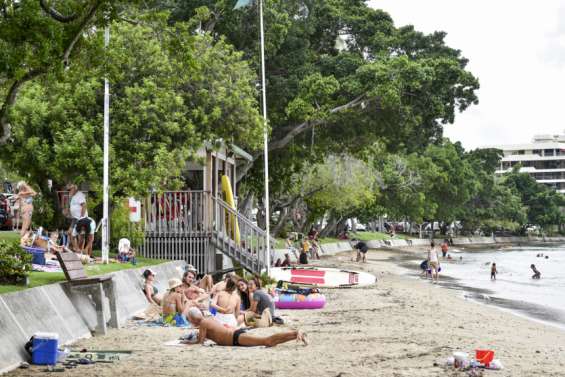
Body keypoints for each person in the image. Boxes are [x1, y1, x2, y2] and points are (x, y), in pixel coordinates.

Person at [186, 307, 307, 347]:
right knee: (269, 342)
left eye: (190, 320)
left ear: (193, 319)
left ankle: (296, 332)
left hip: (235, 338)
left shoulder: (203, 323)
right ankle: (295, 335)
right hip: (235, 336)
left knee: (267, 341)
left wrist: (186, 342)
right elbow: (211, 335)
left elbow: (200, 342)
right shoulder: (208, 319)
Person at [66, 184, 87, 251]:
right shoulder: (73, 196)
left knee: (80, 235)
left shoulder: (79, 195)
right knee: (70, 232)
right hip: (75, 218)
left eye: (70, 189)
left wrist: (82, 217)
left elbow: (84, 206)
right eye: (68, 190)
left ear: (74, 188)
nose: (69, 191)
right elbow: (73, 207)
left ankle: (80, 249)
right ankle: (76, 248)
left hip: (81, 218)